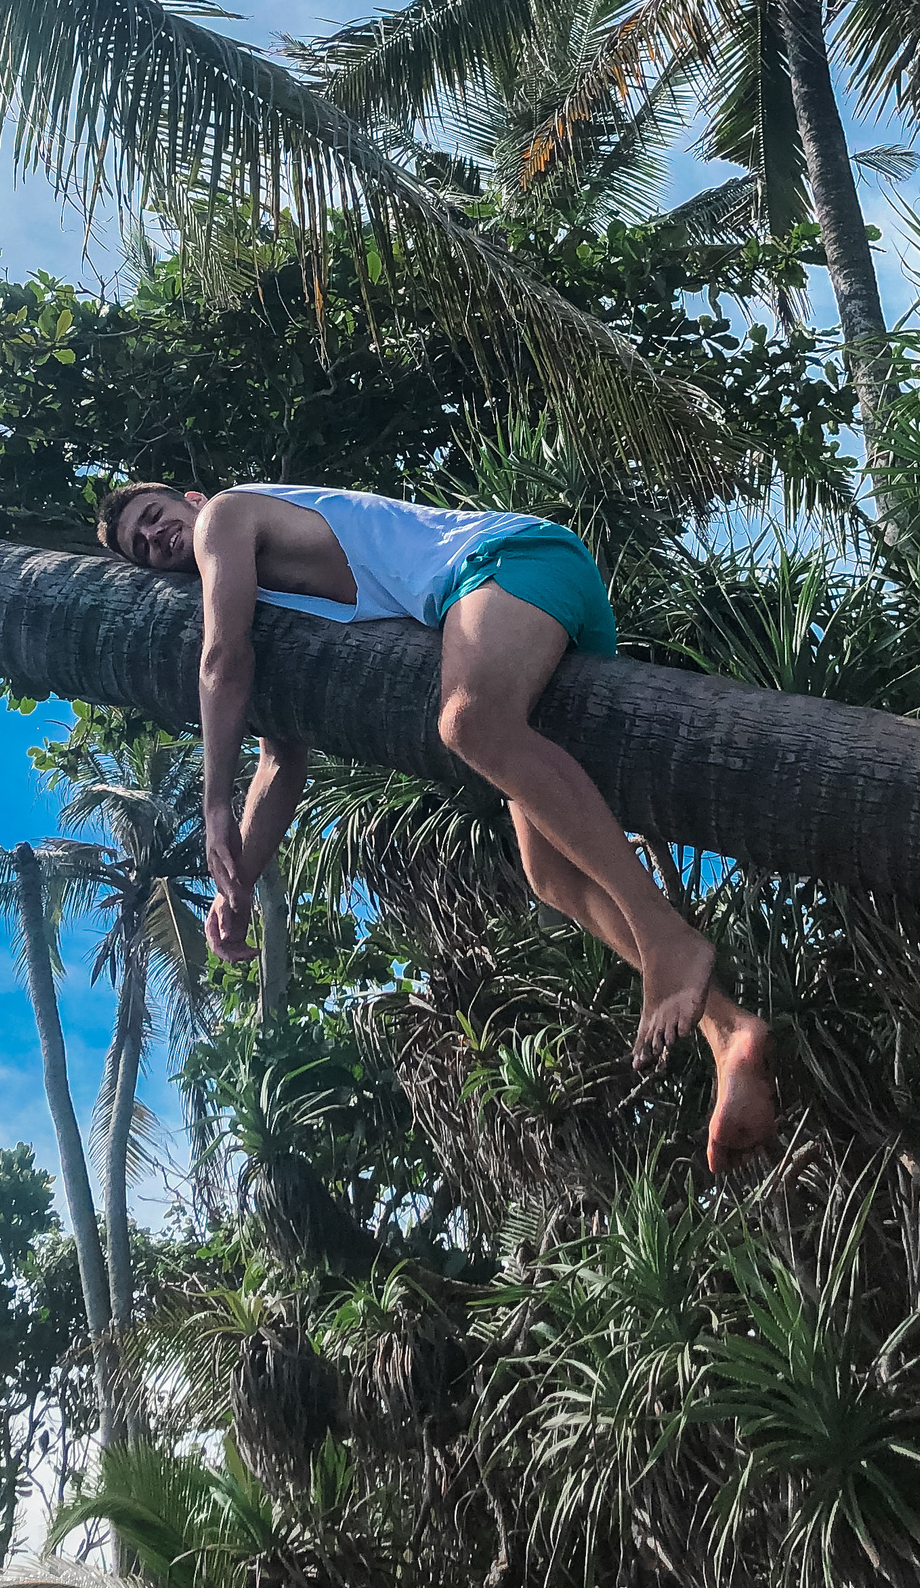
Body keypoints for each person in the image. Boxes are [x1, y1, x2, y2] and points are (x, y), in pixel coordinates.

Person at [98, 478, 778, 1175]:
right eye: (140, 549)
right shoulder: (266, 597)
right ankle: (730, 1031)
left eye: (152, 518)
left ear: (188, 497)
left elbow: (223, 661)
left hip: (514, 563)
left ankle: (667, 939)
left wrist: (213, 804)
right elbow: (280, 760)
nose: (153, 540)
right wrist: (232, 884)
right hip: (520, 608)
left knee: (469, 721)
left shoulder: (227, 516)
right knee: (549, 876)